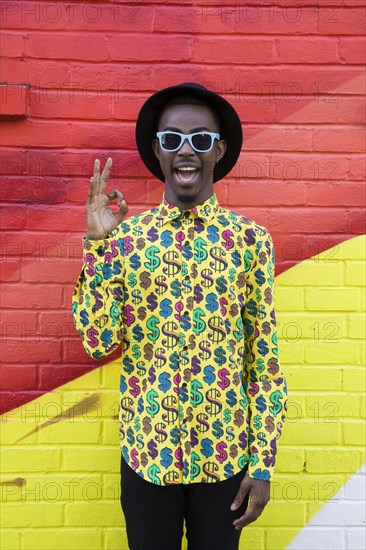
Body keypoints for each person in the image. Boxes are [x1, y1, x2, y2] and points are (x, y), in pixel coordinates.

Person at [72, 82, 287, 550]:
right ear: (157, 150)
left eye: (200, 139)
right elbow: (97, 339)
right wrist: (98, 247)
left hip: (225, 460)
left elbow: (264, 361)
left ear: (219, 150)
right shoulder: (128, 241)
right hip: (148, 458)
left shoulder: (250, 241)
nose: (186, 150)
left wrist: (263, 464)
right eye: (172, 140)